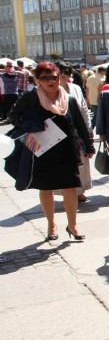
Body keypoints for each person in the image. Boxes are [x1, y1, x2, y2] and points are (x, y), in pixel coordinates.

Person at [7, 62, 93, 241]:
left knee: (70, 187)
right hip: (42, 148)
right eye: (46, 78)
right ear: (37, 80)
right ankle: (51, 224)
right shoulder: (30, 98)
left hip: (66, 148)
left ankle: (73, 225)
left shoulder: (68, 99)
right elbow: (13, 116)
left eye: (54, 77)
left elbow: (79, 123)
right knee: (46, 188)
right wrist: (33, 123)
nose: (51, 81)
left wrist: (88, 145)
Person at [58, 61, 93, 203]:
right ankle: (66, 191)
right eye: (61, 72)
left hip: (78, 131)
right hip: (61, 132)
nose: (64, 75)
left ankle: (79, 191)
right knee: (65, 163)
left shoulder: (76, 88)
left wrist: (88, 128)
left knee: (82, 161)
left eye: (67, 72)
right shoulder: (51, 89)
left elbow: (83, 108)